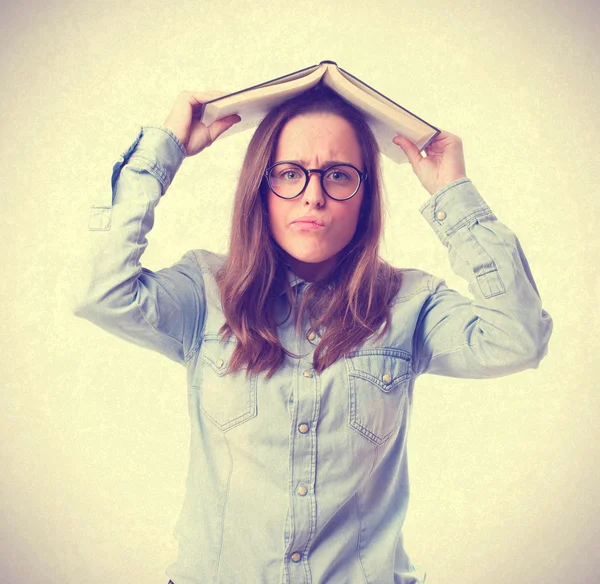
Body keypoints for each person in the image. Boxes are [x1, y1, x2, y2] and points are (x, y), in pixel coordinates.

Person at [73, 83, 552, 584]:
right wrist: (163, 151)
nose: (314, 196)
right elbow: (98, 290)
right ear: (260, 186)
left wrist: (453, 196)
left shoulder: (411, 303)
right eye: (289, 174)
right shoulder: (205, 292)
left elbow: (518, 338)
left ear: (366, 196)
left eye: (340, 176)